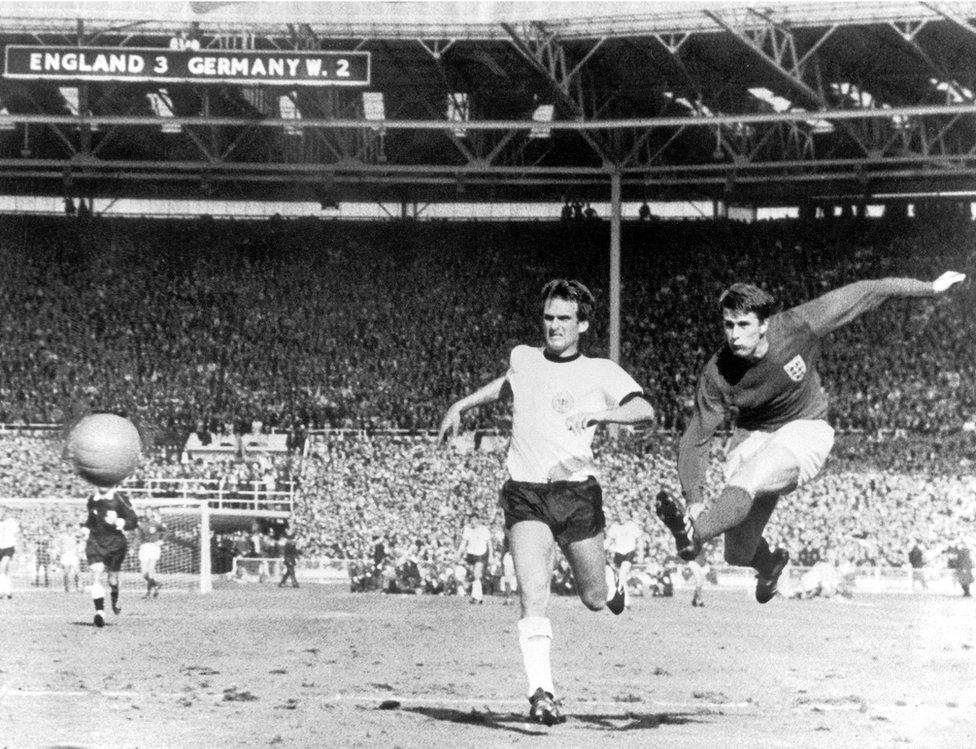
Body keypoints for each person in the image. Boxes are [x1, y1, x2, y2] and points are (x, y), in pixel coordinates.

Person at [656, 270, 967, 605]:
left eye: (743, 324)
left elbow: (867, 290)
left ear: (764, 324)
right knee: (738, 553)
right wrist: (694, 500)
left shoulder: (796, 325)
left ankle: (694, 535)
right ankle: (769, 563)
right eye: (728, 325)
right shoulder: (716, 374)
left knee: (749, 476)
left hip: (806, 426)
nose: (734, 335)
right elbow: (695, 439)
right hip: (753, 434)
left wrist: (931, 287)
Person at [438, 278, 655, 725]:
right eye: (549, 317)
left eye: (564, 319)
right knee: (531, 595)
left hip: (576, 494)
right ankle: (542, 693)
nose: (554, 326)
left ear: (584, 324)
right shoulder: (523, 357)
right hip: (526, 493)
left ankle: (612, 583)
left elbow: (645, 410)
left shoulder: (600, 371)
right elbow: (509, 385)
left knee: (594, 598)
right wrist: (463, 404)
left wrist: (602, 412)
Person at [84, 485, 138, 627]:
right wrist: (85, 527)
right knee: (97, 572)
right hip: (95, 542)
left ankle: (115, 598)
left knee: (112, 580)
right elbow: (91, 519)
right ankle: (100, 613)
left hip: (115, 544)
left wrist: (121, 522)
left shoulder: (120, 498)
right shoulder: (92, 499)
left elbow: (134, 521)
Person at [604, 509, 644, 609]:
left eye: (623, 515)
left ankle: (626, 602)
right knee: (620, 578)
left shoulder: (632, 526)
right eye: (619, 515)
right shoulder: (614, 526)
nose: (621, 517)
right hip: (618, 554)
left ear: (627, 516)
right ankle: (621, 600)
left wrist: (641, 554)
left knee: (622, 575)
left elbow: (640, 540)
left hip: (629, 553)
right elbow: (608, 541)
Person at [457, 513, 492, 604]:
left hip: (481, 553)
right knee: (473, 575)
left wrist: (491, 555)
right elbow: (463, 543)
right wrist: (458, 553)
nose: (472, 522)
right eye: (470, 520)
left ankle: (477, 597)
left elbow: (489, 543)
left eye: (474, 519)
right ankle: (476, 597)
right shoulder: (467, 529)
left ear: (478, 520)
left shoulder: (483, 529)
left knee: (477, 574)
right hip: (471, 554)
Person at [136, 509, 168, 598]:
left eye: (150, 512)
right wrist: (134, 546)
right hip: (144, 547)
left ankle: (148, 592)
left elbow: (167, 532)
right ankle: (156, 584)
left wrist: (162, 540)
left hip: (154, 547)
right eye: (146, 512)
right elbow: (138, 537)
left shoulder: (157, 523)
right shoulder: (141, 524)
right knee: (144, 573)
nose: (148, 514)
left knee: (151, 570)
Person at [55, 522, 83, 593]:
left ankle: (77, 587)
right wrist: (61, 551)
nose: (70, 530)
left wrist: (78, 551)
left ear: (72, 529)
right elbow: (57, 544)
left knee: (77, 571)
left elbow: (80, 542)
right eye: (68, 528)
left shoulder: (76, 536)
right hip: (66, 555)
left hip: (74, 555)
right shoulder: (62, 536)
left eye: (71, 528)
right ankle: (66, 588)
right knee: (66, 572)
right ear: (66, 529)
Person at [0, 506, 20, 599]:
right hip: (0, 547)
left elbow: (17, 533)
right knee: (5, 569)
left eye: (2, 511)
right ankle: (8, 591)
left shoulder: (11, 522)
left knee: (3, 566)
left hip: (8, 547)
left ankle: (1, 590)